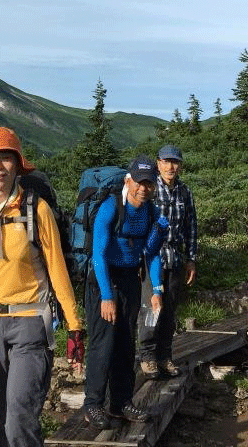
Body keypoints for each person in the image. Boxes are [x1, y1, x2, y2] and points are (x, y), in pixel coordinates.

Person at [0, 126, 85, 447]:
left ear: (17, 165)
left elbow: (57, 271)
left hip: (30, 323)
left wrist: (74, 327)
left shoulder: (37, 210)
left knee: (21, 421)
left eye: (5, 158)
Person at [83, 155, 167, 428]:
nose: (143, 188)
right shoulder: (111, 207)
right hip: (104, 278)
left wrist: (156, 288)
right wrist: (107, 295)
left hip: (131, 278)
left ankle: (121, 403)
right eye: (139, 182)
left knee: (126, 343)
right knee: (102, 343)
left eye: (149, 184)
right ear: (128, 181)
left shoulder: (151, 213)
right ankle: (93, 405)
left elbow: (152, 253)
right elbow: (98, 255)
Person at [138, 144, 197, 379]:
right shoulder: (150, 188)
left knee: (170, 311)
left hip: (175, 259)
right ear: (158, 163)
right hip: (152, 257)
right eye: (167, 161)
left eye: (176, 162)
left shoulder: (184, 191)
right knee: (152, 308)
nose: (171, 166)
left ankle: (165, 357)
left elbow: (191, 226)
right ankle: (147, 356)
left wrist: (191, 259)